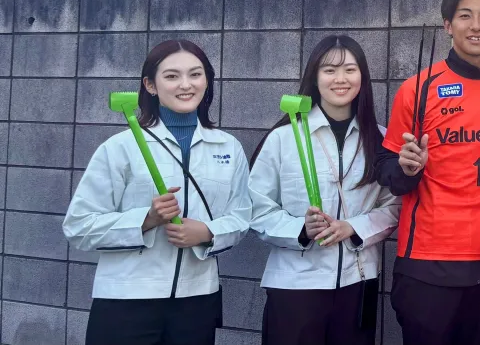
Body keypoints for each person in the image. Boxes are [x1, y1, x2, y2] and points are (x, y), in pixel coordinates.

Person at [376, 0, 480, 345]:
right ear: (448, 25)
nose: (476, 26)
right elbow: (385, 165)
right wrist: (405, 168)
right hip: (426, 263)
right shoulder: (418, 88)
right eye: (465, 16)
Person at [63, 40, 252, 345]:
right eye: (172, 76)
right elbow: (79, 226)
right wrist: (146, 220)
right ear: (150, 85)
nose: (186, 85)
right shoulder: (120, 147)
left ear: (207, 81)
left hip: (197, 300)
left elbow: (241, 217)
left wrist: (207, 232)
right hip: (126, 300)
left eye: (195, 74)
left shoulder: (228, 147)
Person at [249, 35, 399, 345]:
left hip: (358, 281)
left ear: (362, 77)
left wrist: (353, 227)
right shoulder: (283, 138)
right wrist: (300, 229)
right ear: (314, 77)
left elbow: (394, 206)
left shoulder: (382, 139)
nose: (340, 79)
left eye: (350, 69)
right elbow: (256, 208)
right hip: (294, 284)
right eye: (329, 70)